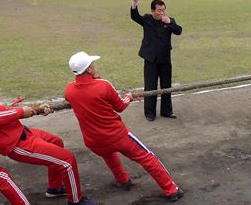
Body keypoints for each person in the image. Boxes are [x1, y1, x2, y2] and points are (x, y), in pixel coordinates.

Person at [0, 73, 97, 205]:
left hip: (21, 132)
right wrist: (22, 112)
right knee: (67, 161)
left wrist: (36, 110)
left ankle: (54, 188)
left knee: (56, 142)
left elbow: (0, 110)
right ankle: (76, 201)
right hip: (17, 142)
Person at [65, 51, 184, 202]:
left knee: (109, 155)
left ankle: (122, 180)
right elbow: (120, 106)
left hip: (93, 141)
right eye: (92, 65)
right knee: (148, 158)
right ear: (88, 69)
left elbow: (76, 96)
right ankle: (172, 190)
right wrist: (128, 97)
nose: (94, 66)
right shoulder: (103, 85)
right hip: (117, 136)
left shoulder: (69, 89)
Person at [130, 0, 183, 121]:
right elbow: (135, 16)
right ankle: (150, 113)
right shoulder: (147, 19)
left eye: (163, 10)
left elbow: (179, 31)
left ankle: (166, 111)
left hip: (165, 59)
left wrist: (170, 22)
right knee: (150, 86)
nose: (162, 12)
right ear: (153, 11)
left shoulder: (169, 20)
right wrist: (134, 3)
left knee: (166, 85)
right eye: (159, 10)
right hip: (150, 59)